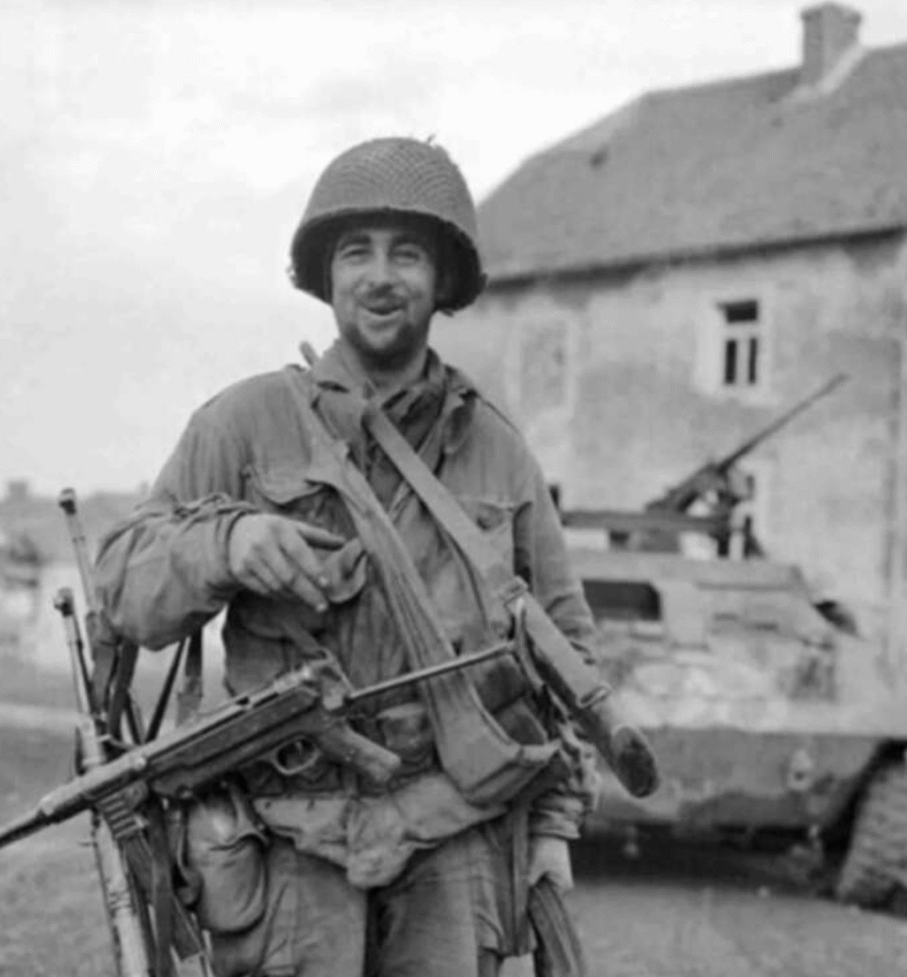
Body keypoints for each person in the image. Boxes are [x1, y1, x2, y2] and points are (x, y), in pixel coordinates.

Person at [94, 136, 601, 977]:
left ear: (443, 281)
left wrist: (551, 830)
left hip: (454, 830)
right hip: (292, 833)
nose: (380, 275)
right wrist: (228, 539)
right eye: (355, 252)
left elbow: (566, 651)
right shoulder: (245, 423)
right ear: (326, 277)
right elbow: (122, 582)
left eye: (408, 253)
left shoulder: (497, 452)